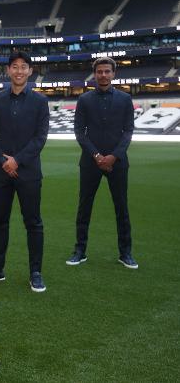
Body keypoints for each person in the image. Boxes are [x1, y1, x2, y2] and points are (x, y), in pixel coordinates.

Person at [0, 51, 49, 292]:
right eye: (15, 66)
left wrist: (17, 161)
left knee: (33, 223)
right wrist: (3, 160)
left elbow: (39, 138)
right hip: (0, 172)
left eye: (24, 66)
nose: (19, 70)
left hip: (29, 172)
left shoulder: (40, 102)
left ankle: (35, 272)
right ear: (8, 71)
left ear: (30, 71)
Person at [66, 57, 138, 269]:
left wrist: (114, 156)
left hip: (118, 162)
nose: (104, 75)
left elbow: (128, 131)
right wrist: (97, 156)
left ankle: (125, 253)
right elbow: (79, 131)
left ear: (114, 74)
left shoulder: (125, 99)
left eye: (107, 71)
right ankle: (80, 250)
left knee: (121, 208)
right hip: (90, 162)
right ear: (94, 74)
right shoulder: (84, 100)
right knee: (84, 207)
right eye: (100, 72)